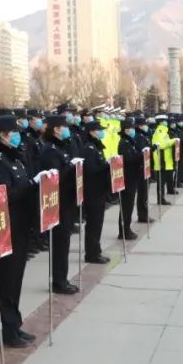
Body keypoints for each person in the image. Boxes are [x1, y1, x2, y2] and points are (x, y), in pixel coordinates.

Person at [0, 116, 51, 347]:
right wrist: (31, 184)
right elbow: (4, 196)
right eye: (13, 131)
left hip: (21, 227)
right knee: (6, 280)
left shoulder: (15, 159)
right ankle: (5, 329)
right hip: (6, 230)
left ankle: (14, 324)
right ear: (2, 134)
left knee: (16, 279)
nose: (17, 135)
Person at [37, 116, 79, 295]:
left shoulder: (61, 147)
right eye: (64, 127)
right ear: (56, 129)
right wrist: (70, 166)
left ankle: (63, 278)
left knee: (64, 242)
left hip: (67, 201)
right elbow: (55, 178)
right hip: (57, 203)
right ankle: (58, 281)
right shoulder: (50, 150)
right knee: (60, 243)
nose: (67, 130)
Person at [80, 120, 111, 264]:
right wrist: (107, 166)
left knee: (97, 223)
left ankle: (96, 250)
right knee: (93, 223)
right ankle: (92, 254)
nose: (101, 132)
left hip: (99, 190)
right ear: (92, 132)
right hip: (92, 191)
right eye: (99, 130)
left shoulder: (96, 147)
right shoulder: (89, 148)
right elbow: (90, 169)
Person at [117, 118, 142, 240]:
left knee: (129, 205)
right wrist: (141, 155)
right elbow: (129, 159)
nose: (133, 131)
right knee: (126, 206)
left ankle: (127, 228)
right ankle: (123, 231)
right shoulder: (124, 143)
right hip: (127, 178)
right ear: (126, 130)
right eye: (131, 129)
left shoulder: (130, 142)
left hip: (132, 177)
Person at [151, 115, 175, 202]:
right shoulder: (160, 131)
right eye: (165, 121)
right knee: (161, 182)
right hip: (161, 160)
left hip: (165, 159)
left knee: (164, 180)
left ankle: (162, 198)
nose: (166, 122)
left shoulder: (164, 131)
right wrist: (173, 141)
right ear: (161, 122)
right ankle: (160, 199)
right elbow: (161, 145)